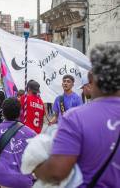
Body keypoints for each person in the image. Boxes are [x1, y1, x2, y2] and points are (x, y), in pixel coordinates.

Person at [33, 44, 120, 187]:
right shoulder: (61, 102)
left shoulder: (75, 118)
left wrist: (35, 165)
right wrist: (51, 123)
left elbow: (56, 172)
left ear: (91, 77)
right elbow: (56, 115)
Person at [0, 97, 36, 188]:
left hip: (0, 181)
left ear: (3, 113)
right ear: (20, 112)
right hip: (23, 182)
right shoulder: (31, 134)